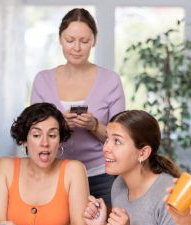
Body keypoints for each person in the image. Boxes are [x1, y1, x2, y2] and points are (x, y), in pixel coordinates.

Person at [31, 8, 125, 208]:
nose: (76, 48)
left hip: (101, 176)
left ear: (94, 40)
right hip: (55, 174)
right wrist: (58, 126)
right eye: (70, 40)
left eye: (84, 41)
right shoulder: (42, 80)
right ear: (60, 39)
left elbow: (121, 140)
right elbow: (33, 136)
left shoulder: (111, 81)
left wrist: (94, 126)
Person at [83, 110, 181, 225]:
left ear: (143, 153)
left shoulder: (169, 193)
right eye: (107, 139)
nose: (106, 148)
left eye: (117, 141)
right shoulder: (119, 184)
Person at [0, 102, 89, 225]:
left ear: (60, 140)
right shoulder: (5, 166)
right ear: (24, 140)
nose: (45, 143)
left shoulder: (75, 170)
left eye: (52, 135)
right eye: (36, 135)